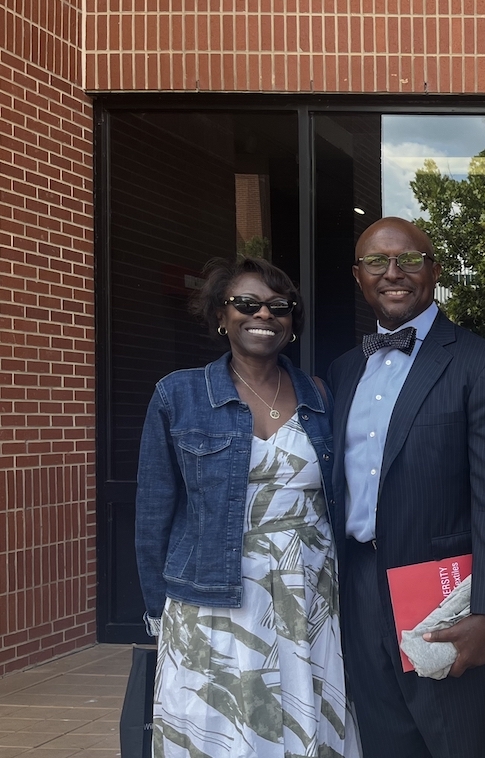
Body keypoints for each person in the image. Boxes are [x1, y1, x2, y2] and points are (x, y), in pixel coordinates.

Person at [135, 256, 357, 758]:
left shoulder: (320, 395)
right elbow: (153, 512)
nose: (264, 316)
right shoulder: (178, 394)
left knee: (307, 725)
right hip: (211, 598)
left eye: (279, 307)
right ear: (221, 315)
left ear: (292, 322)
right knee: (218, 726)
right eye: (247, 304)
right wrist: (157, 613)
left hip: (310, 594)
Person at [329, 217, 485, 758]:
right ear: (358, 276)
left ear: (434, 271)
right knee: (383, 742)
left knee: (460, 744)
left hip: (446, 597)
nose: (393, 273)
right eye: (377, 261)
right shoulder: (344, 371)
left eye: (409, 259)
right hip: (358, 588)